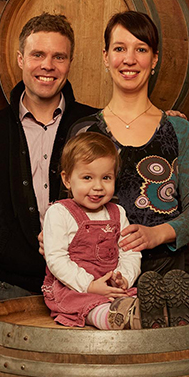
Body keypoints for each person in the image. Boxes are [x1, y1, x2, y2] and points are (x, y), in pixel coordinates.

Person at [69, 10, 189, 327]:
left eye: (141, 49)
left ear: (154, 59)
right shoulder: (84, 131)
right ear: (106, 57)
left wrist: (155, 234)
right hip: (101, 276)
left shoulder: (178, 129)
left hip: (168, 272)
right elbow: (66, 206)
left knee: (168, 355)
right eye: (119, 48)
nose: (129, 59)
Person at [0, 13, 97, 333]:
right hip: (10, 287)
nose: (47, 65)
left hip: (83, 285)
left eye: (58, 57)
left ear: (70, 63)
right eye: (38, 55)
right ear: (20, 59)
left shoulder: (93, 125)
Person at [42, 132, 142, 330]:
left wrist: (123, 278)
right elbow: (56, 259)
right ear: (67, 179)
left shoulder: (117, 212)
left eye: (106, 178)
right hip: (74, 287)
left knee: (135, 296)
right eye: (87, 177)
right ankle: (110, 318)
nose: (98, 187)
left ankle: (148, 313)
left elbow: (130, 252)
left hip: (111, 288)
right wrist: (89, 285)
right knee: (88, 306)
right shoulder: (59, 212)